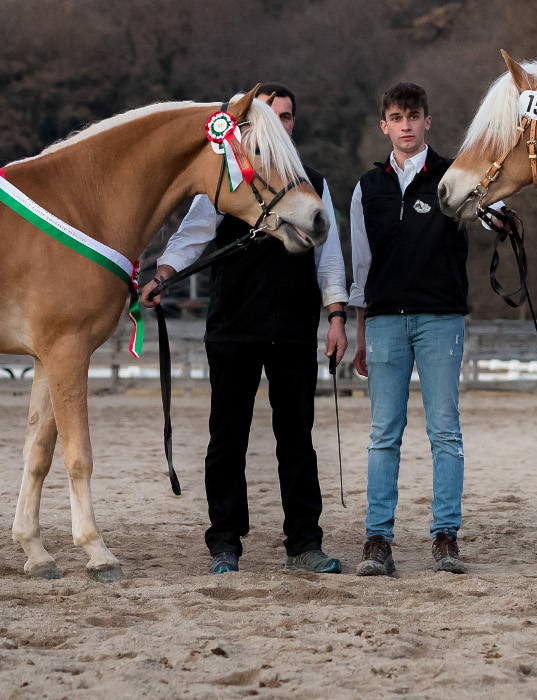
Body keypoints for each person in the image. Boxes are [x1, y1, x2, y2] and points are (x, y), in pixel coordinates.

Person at [140, 83, 348, 576]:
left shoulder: (314, 182)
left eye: (289, 115)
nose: (284, 122)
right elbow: (190, 237)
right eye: (274, 115)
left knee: (296, 439)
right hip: (233, 329)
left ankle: (303, 542)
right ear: (252, 126)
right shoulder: (229, 180)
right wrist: (164, 275)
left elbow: (330, 258)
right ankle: (225, 543)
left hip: (295, 329)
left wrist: (336, 316)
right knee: (227, 438)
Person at [348, 82, 475, 576]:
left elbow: (486, 211)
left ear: (427, 122)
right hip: (382, 321)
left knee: (445, 430)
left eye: (414, 116)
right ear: (385, 125)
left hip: (441, 319)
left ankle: (446, 536)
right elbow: (361, 264)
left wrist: (507, 219)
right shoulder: (367, 187)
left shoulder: (452, 176)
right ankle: (377, 539)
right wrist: (360, 329)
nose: (406, 125)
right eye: (397, 117)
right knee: (384, 433)